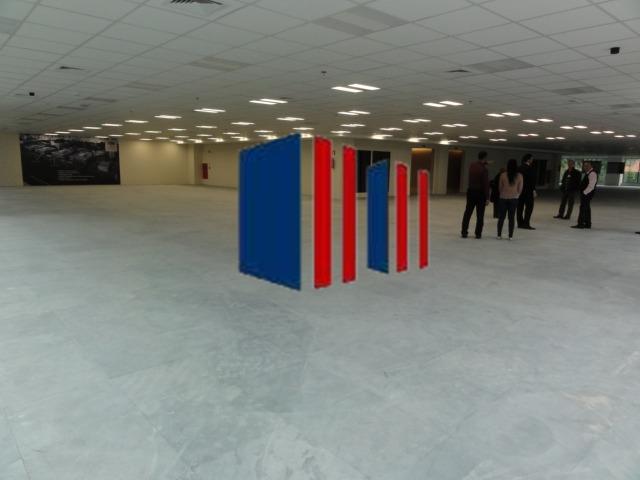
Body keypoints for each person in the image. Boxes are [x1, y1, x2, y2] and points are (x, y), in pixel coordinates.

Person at [461, 151, 490, 239]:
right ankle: (478, 233)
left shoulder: (472, 165)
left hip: (471, 191)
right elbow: (486, 184)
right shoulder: (484, 169)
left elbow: (479, 164)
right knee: (480, 214)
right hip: (480, 193)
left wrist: (485, 163)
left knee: (468, 212)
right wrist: (487, 197)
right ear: (485, 157)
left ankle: (464, 232)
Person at [497, 159, 523, 240]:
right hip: (514, 199)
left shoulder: (502, 175)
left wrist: (503, 193)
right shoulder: (519, 176)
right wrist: (516, 194)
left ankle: (499, 235)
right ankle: (510, 236)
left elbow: (500, 188)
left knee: (501, 217)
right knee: (511, 218)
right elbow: (520, 189)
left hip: (503, 198)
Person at [572, 161, 598, 229]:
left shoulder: (592, 173)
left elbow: (591, 186)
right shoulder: (588, 173)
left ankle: (580, 224)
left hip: (587, 194)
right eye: (584, 166)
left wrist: (584, 192)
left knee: (583, 208)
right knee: (586, 208)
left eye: (587, 166)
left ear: (590, 166)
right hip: (587, 193)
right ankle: (587, 224)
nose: (585, 167)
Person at [517, 154, 537, 230]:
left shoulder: (519, 168)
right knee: (529, 207)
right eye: (531, 159)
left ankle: (520, 223)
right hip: (528, 191)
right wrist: (534, 190)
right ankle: (526, 223)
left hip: (520, 191)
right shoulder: (530, 168)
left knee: (520, 207)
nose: (532, 160)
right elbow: (532, 181)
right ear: (528, 160)